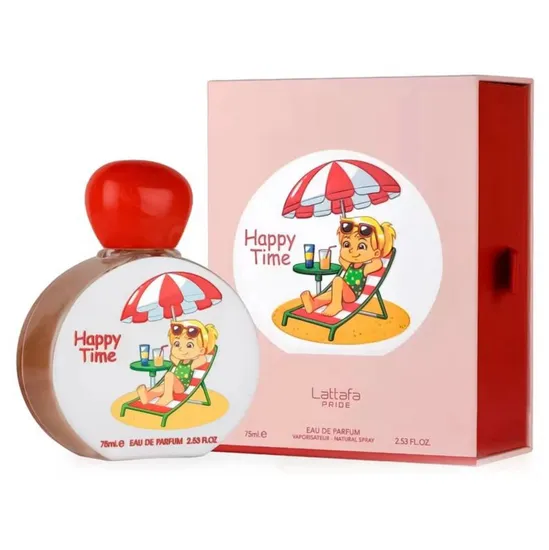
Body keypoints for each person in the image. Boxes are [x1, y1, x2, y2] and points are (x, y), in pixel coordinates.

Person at [300, 216, 396, 317]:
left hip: (352, 294)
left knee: (338, 280)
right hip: (342, 291)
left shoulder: (364, 269)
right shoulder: (350, 265)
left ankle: (336, 305)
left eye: (361, 246)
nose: (351, 250)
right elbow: (341, 259)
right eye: (346, 244)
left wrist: (377, 253)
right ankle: (313, 304)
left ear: (376, 253)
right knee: (330, 294)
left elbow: (378, 264)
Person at [137, 320, 218, 406]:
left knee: (169, 375)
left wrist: (197, 353)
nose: (181, 348)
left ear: (201, 350)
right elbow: (172, 356)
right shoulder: (179, 362)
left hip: (181, 387)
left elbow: (203, 359)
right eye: (177, 344)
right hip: (171, 384)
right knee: (162, 388)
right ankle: (147, 396)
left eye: (189, 345)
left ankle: (168, 396)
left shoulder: (191, 364)